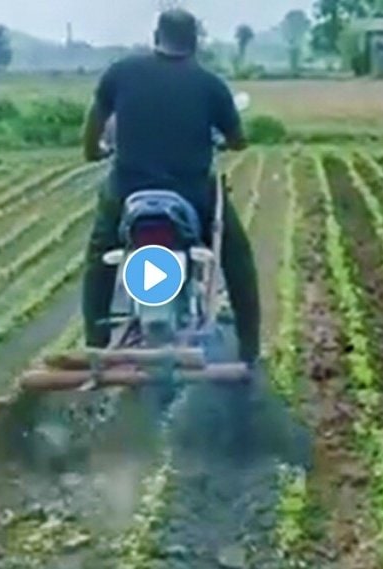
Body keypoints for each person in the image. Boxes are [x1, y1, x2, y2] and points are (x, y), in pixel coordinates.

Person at [80, 8, 261, 366]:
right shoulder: (210, 84)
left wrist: (93, 152)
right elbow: (238, 139)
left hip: (128, 194)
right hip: (191, 195)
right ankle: (250, 347)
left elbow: (94, 124)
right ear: (195, 41)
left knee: (100, 256)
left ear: (156, 37)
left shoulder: (121, 73)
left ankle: (95, 343)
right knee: (236, 257)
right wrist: (226, 142)